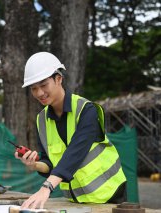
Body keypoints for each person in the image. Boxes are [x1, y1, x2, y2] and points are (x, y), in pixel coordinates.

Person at [17, 52, 127, 209]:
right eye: (34, 88)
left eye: (43, 85)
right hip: (77, 201)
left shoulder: (86, 110)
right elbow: (48, 162)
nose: (39, 93)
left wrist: (46, 187)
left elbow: (75, 153)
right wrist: (34, 165)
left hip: (110, 195)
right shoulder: (41, 120)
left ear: (58, 79)